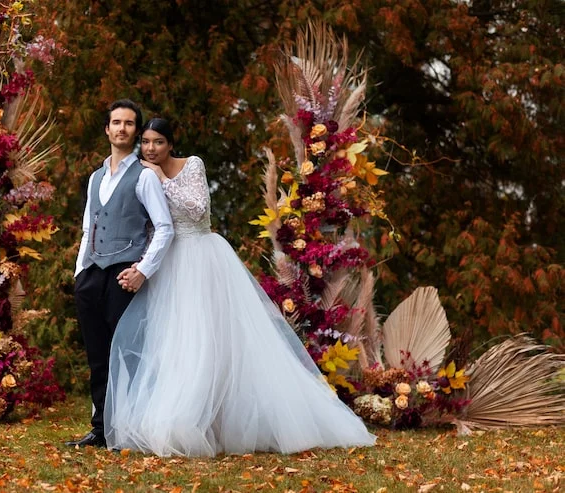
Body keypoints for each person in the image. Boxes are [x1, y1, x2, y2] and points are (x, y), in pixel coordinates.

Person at [105, 118, 376, 456]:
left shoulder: (191, 165)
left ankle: (213, 418)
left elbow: (199, 207)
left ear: (171, 144)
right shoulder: (142, 174)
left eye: (158, 142)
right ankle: (188, 417)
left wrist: (162, 179)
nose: (150, 149)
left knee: (209, 337)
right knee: (174, 338)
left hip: (202, 258)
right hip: (167, 264)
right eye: (145, 142)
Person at [66, 102, 174, 448]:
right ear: (107, 130)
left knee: (130, 354)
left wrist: (143, 271)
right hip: (91, 275)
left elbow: (164, 228)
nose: (122, 129)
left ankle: (138, 428)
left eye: (129, 124)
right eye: (116, 122)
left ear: (135, 132)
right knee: (97, 357)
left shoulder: (144, 176)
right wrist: (80, 271)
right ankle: (101, 428)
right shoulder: (95, 177)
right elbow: (88, 227)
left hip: (124, 275)